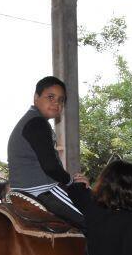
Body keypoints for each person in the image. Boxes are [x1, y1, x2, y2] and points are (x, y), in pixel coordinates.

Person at [7, 76, 87, 229]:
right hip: (40, 189)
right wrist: (71, 181)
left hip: (22, 188)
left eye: (61, 100)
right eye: (50, 97)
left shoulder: (32, 120)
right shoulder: (37, 123)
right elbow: (50, 166)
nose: (56, 103)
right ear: (36, 97)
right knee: (96, 219)